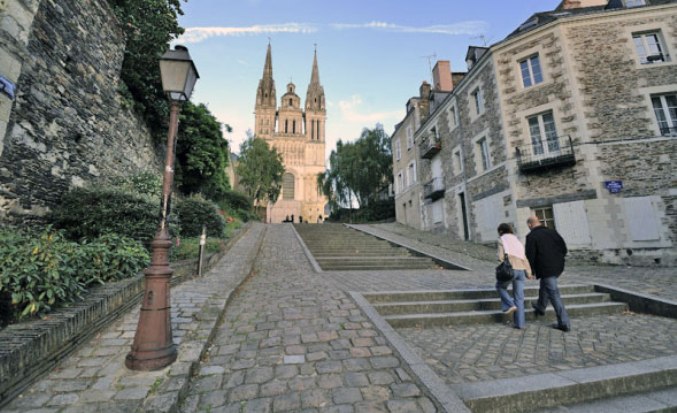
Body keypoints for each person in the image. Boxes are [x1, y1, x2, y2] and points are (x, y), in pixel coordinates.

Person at [525, 216, 571, 332]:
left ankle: (564, 322)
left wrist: (531, 271)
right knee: (545, 285)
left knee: (554, 293)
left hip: (546, 268)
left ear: (530, 225)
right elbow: (564, 249)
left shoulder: (531, 236)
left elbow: (530, 256)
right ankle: (541, 306)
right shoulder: (552, 232)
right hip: (557, 266)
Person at [495, 223, 532, 329]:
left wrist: (501, 265)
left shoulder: (501, 239)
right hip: (521, 270)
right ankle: (520, 324)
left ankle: (510, 305)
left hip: (510, 269)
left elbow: (500, 257)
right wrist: (528, 272)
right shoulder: (518, 241)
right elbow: (524, 258)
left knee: (500, 287)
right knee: (519, 297)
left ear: (501, 231)